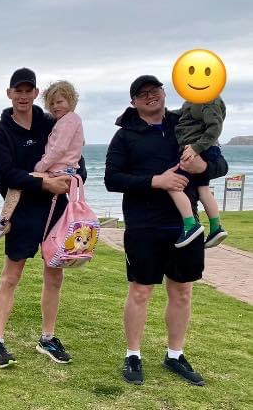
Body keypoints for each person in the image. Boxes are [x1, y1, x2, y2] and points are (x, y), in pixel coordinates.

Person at [105, 75, 228, 386]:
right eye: (142, 94)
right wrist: (154, 181)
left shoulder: (184, 124)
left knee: (183, 291)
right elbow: (112, 179)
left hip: (185, 225)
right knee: (141, 291)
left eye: (155, 90)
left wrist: (205, 169)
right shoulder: (124, 136)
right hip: (144, 225)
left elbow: (218, 164)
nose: (150, 97)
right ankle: (133, 354)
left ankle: (175, 354)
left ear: (163, 93)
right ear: (133, 101)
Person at [0, 68, 87, 368]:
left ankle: (47, 338)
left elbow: (75, 157)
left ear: (35, 94)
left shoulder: (52, 122)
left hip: (56, 211)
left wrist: (74, 178)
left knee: (54, 274)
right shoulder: (1, 131)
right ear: (9, 93)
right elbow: (5, 174)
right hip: (22, 213)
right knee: (11, 276)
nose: (23, 95)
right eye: (17, 90)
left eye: (28, 90)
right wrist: (43, 182)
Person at [0, 80, 85, 241]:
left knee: (16, 188)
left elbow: (59, 149)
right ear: (9, 93)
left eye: (60, 101)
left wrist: (41, 167)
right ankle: (5, 221)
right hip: (59, 175)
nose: (55, 106)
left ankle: (3, 222)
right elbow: (4, 173)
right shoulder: (65, 121)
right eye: (52, 103)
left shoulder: (67, 121)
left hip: (57, 173)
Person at [168, 96, 228, 248]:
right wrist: (164, 113)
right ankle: (215, 228)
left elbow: (215, 126)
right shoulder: (192, 100)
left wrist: (197, 148)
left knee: (174, 186)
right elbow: (180, 112)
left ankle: (190, 225)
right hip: (202, 149)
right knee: (204, 191)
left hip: (197, 149)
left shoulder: (209, 99)